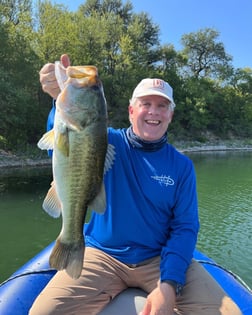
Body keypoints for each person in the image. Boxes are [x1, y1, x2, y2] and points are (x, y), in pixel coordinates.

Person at [29, 54, 242, 315]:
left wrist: (169, 283)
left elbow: (185, 228)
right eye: (146, 103)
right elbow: (62, 149)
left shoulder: (182, 166)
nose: (153, 112)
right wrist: (57, 98)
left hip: (159, 258)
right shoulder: (105, 140)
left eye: (162, 106)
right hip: (102, 254)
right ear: (131, 111)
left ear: (171, 115)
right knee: (43, 312)